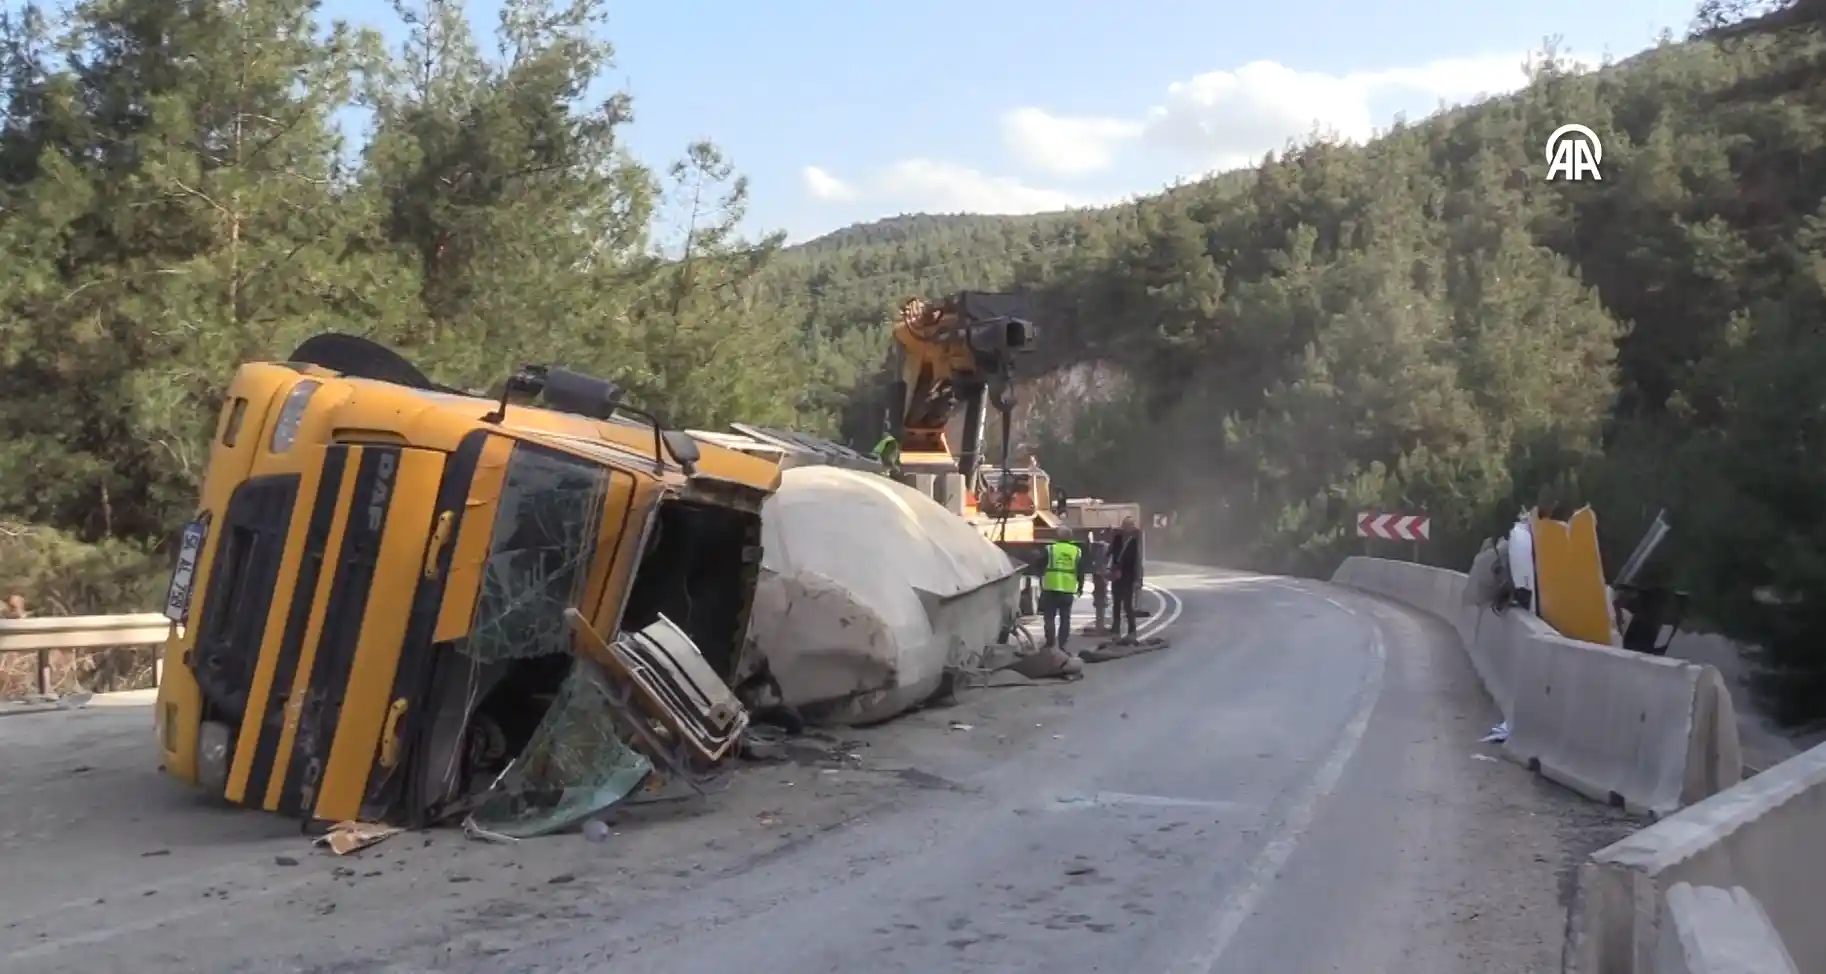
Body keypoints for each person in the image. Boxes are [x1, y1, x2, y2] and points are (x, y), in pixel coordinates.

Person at [1039, 526, 1086, 652]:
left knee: (1049, 617)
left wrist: (1040, 579)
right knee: (1065, 618)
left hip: (1051, 588)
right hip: (1067, 590)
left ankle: (1049, 644)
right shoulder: (1076, 551)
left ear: (1058, 537)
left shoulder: (1050, 549)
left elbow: (1039, 564)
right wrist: (1080, 587)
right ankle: (1061, 646)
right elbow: (1081, 571)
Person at [1108, 515, 1143, 641]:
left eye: (1130, 525)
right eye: (1126, 525)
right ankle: (1116, 630)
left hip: (1128, 576)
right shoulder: (1117, 538)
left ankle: (1132, 631)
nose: (1128, 527)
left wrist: (1138, 579)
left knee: (1128, 605)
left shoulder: (1135, 540)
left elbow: (1138, 561)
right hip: (1117, 575)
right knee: (1116, 604)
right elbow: (1110, 552)